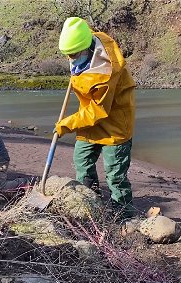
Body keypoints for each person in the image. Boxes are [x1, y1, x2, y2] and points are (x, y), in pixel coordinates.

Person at [55, 17, 136, 218]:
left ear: (86, 49)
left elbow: (97, 111)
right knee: (82, 163)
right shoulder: (88, 39)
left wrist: (66, 125)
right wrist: (75, 68)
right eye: (68, 55)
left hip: (114, 124)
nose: (71, 58)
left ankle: (124, 216)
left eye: (73, 55)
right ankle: (91, 204)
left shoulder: (105, 74)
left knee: (115, 175)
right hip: (89, 122)